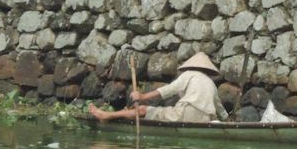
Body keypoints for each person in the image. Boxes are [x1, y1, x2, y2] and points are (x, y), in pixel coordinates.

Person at [88, 52, 228, 123]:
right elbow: (219, 108)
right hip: (204, 119)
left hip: (186, 115)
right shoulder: (211, 83)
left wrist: (143, 96)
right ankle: (125, 112)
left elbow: (169, 90)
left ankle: (106, 115)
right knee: (157, 111)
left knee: (142, 109)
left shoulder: (190, 74)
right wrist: (228, 121)